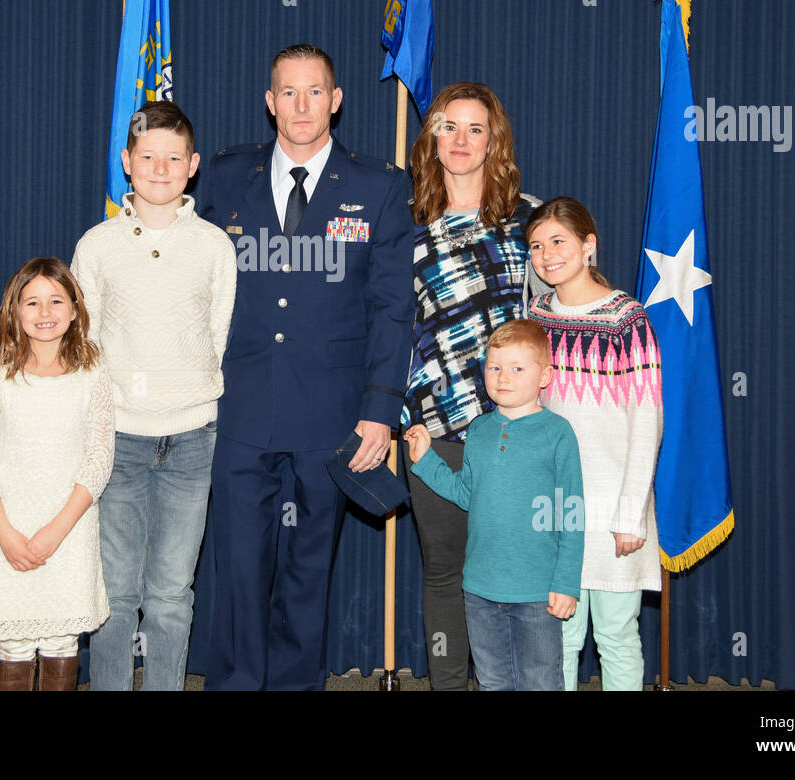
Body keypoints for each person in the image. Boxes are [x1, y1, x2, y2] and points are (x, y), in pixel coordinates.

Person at [199, 44, 413, 690]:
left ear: (336, 100)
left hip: (332, 416)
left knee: (307, 568)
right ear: (269, 103)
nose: (301, 105)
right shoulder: (222, 175)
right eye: (287, 92)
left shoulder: (379, 186)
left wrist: (381, 411)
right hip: (239, 409)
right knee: (238, 570)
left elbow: (393, 308)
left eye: (314, 91)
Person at [74, 101, 237, 691]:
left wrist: (190, 394)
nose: (161, 168)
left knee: (171, 592)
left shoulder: (215, 246)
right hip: (117, 439)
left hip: (193, 438)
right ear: (127, 162)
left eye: (174, 157)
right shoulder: (97, 245)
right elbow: (82, 342)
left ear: (192, 166)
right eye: (148, 157)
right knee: (116, 590)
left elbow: (216, 335)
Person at [399, 81, 544, 689]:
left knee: (510, 573)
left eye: (475, 128)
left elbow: (555, 315)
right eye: (447, 127)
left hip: (512, 427)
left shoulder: (528, 219)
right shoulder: (402, 222)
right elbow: (384, 325)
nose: (460, 140)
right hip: (433, 426)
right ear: (431, 138)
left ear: (494, 141)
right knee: (443, 572)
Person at [525, 196, 663, 691]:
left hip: (611, 509)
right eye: (536, 245)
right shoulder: (536, 315)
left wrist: (631, 512)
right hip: (552, 507)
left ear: (588, 246)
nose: (546, 255)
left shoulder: (627, 317)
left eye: (557, 241)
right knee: (557, 637)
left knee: (615, 634)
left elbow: (646, 418)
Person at [404, 319, 583, 690]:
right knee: (492, 681)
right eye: (495, 367)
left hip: (536, 592)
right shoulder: (480, 429)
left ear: (545, 376)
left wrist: (565, 582)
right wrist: (426, 460)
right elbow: (465, 493)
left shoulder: (558, 433)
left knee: (540, 682)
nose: (504, 377)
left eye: (518, 368)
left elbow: (570, 512)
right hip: (479, 590)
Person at [0, 257, 114, 691]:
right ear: (15, 310)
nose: (44, 313)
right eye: (32, 302)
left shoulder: (93, 375)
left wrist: (58, 528)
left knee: (61, 639)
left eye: (55, 301)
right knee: (13, 641)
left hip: (70, 529)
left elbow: (99, 457)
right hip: (9, 529)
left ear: (74, 309)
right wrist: (4, 530)